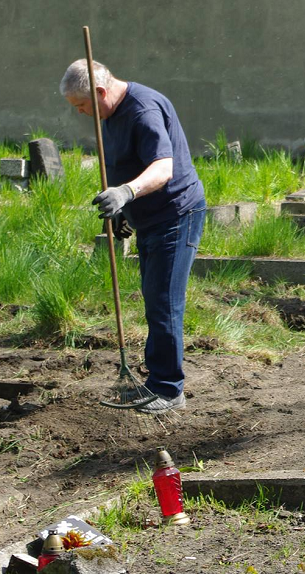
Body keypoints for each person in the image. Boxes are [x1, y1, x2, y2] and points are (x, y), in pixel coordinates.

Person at [61, 59, 205, 414]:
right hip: (150, 218)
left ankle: (169, 390)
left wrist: (126, 193)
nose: (80, 113)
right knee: (154, 297)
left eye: (82, 105)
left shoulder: (142, 110)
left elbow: (163, 168)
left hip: (176, 215)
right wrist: (124, 213)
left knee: (164, 301)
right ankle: (157, 381)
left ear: (100, 92)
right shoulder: (110, 114)